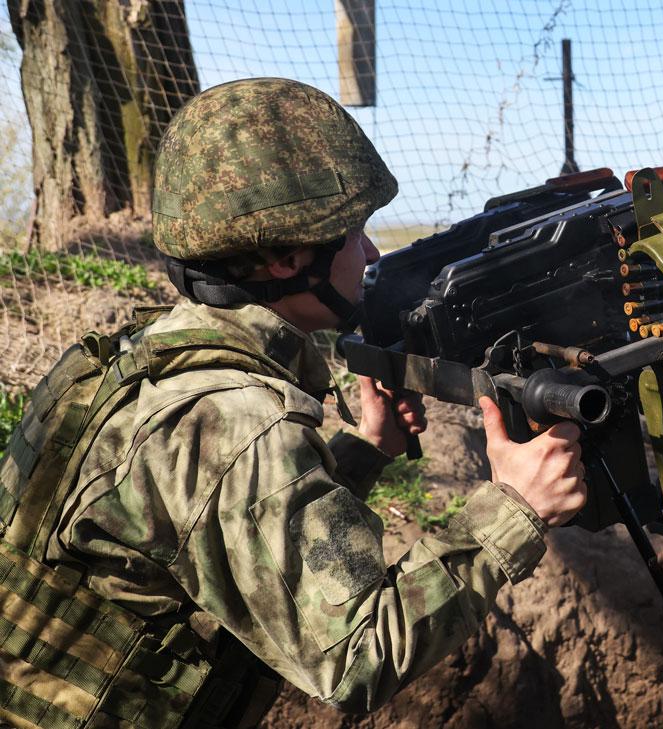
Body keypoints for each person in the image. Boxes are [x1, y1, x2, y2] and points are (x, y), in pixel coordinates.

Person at [0, 78, 586, 728]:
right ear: (286, 257)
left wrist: (365, 451)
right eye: (354, 232)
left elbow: (210, 526)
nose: (371, 252)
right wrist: (512, 510)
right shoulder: (238, 420)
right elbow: (357, 656)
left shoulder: (138, 358)